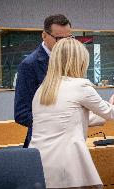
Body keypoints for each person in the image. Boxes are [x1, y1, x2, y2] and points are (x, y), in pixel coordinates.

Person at [29, 38, 114, 188]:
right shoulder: (80, 86)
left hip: (38, 161)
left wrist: (107, 108)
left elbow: (72, 118)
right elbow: (111, 114)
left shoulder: (43, 89)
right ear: (80, 61)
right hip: (65, 162)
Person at [14, 14, 73, 148]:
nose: (65, 43)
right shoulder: (29, 65)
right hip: (43, 142)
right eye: (59, 38)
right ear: (44, 36)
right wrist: (57, 123)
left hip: (68, 141)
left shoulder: (70, 61)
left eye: (69, 38)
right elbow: (21, 114)